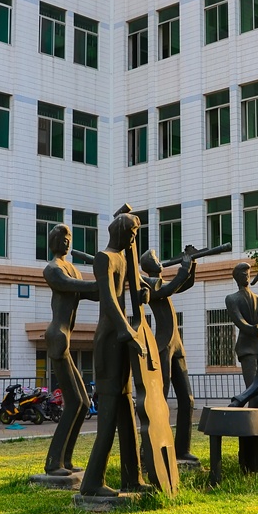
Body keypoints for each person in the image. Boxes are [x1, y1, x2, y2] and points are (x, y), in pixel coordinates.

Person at [80, 212, 151, 497]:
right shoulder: (104, 258)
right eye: (131, 234)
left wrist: (143, 294)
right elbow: (109, 299)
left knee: (126, 412)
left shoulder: (124, 259)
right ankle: (92, 481)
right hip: (110, 338)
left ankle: (132, 477)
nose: (133, 240)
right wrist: (126, 331)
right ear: (119, 231)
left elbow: (132, 290)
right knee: (109, 415)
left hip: (122, 337)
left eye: (136, 235)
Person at [42, 224, 98, 476]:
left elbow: (95, 293)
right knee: (74, 401)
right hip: (57, 336)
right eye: (61, 238)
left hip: (66, 339)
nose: (66, 242)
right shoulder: (53, 269)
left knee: (83, 403)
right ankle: (54, 463)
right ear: (53, 241)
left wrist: (112, 276)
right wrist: (103, 279)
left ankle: (65, 460)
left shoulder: (72, 268)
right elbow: (80, 287)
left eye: (69, 238)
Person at [140, 247, 198, 463]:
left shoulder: (161, 282)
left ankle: (182, 449)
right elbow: (171, 288)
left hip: (177, 345)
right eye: (156, 259)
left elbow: (186, 284)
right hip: (163, 345)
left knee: (188, 399)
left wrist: (192, 263)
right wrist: (184, 267)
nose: (160, 262)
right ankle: (149, 448)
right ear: (150, 265)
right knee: (160, 399)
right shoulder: (149, 283)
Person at [225, 262, 258, 403]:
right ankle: (252, 417)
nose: (246, 276)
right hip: (247, 349)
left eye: (248, 274)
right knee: (254, 394)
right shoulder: (232, 299)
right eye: (243, 274)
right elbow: (242, 324)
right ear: (236, 277)